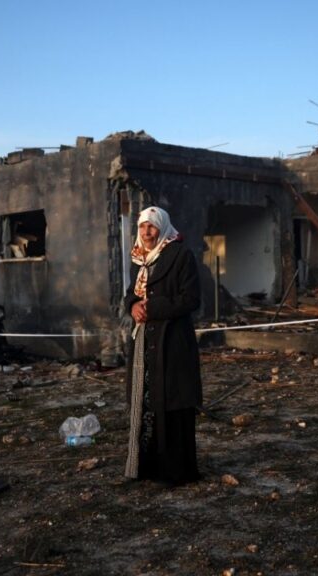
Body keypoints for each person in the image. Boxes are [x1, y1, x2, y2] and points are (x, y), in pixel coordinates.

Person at [123, 206, 202, 486]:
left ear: (163, 228)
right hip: (145, 341)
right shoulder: (139, 259)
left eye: (152, 226)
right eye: (143, 226)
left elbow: (191, 298)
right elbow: (131, 295)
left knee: (173, 403)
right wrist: (133, 306)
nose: (147, 232)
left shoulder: (180, 256)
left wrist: (152, 308)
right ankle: (147, 466)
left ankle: (175, 471)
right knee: (146, 402)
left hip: (172, 342)